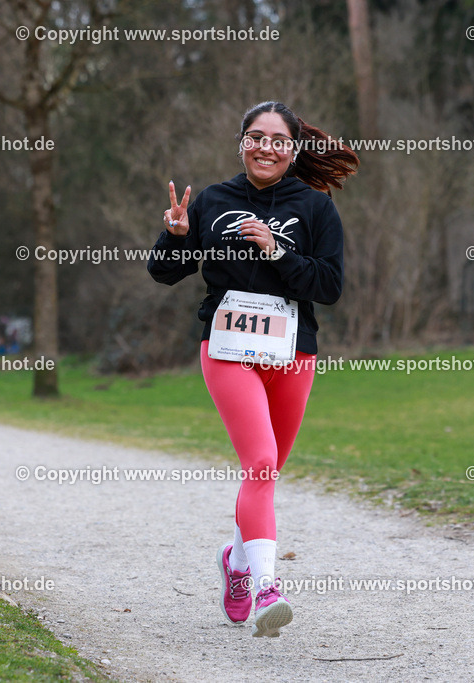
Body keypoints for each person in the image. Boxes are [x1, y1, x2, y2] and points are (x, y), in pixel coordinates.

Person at [147, 101, 358, 637]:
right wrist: (174, 237)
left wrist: (276, 251)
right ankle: (267, 586)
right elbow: (164, 274)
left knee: (264, 474)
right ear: (241, 142)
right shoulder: (213, 200)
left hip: (293, 354)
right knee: (260, 462)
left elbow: (329, 287)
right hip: (227, 350)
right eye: (256, 137)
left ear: (293, 149)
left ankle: (236, 561)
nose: (266, 147)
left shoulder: (315, 208)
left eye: (278, 140)